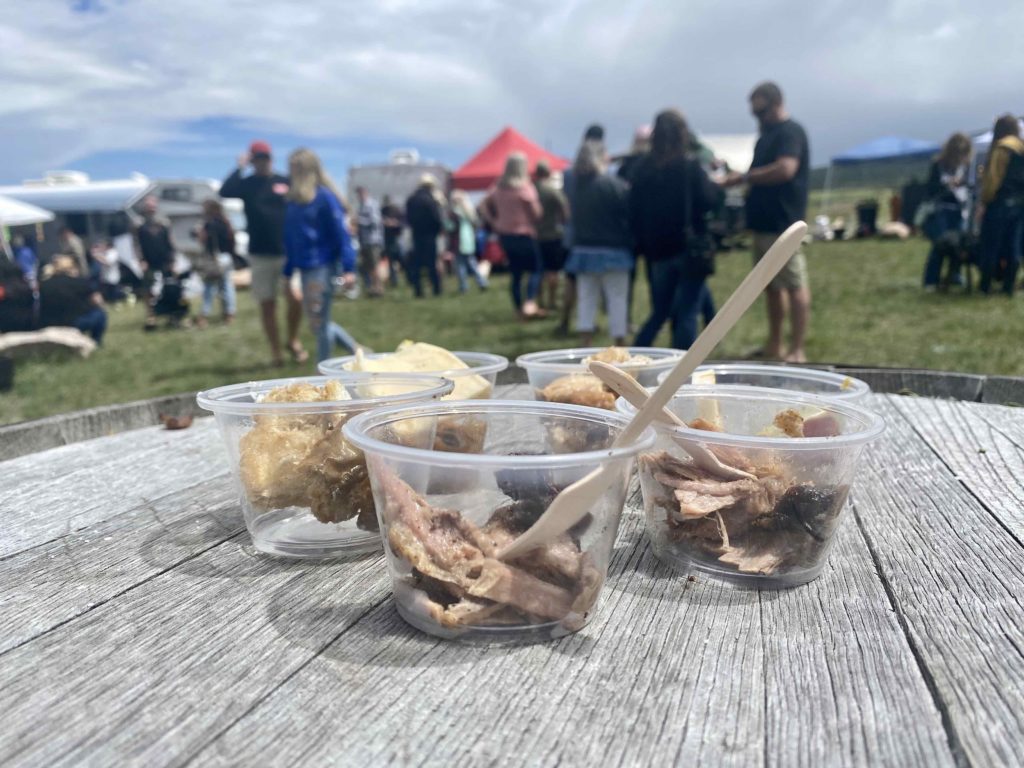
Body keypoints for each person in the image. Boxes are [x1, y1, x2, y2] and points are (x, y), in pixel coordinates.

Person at [722, 81, 811, 363]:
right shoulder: (766, 137)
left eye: (761, 111)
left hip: (782, 224)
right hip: (763, 224)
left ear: (775, 103)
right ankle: (775, 345)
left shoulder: (790, 132)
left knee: (794, 285)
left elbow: (786, 169)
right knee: (771, 287)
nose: (758, 118)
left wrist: (745, 177)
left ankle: (797, 349)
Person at [631, 109, 723, 350]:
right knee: (687, 313)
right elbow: (709, 199)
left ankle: (634, 356)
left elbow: (633, 210)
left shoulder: (642, 169)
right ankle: (683, 371)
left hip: (657, 251)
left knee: (660, 312)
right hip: (689, 248)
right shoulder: (689, 166)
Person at [221, 140, 308, 365]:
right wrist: (240, 167)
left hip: (286, 251)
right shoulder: (247, 184)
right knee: (267, 304)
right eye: (257, 159)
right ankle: (276, 351)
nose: (262, 162)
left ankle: (293, 338)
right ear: (252, 160)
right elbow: (225, 190)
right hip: (260, 253)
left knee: (295, 298)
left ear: (271, 158)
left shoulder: (283, 181)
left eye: (265, 158)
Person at [283, 148, 359, 363]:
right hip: (305, 267)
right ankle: (357, 352)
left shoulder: (324, 198)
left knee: (319, 324)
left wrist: (348, 268)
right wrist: (288, 270)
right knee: (318, 323)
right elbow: (290, 238)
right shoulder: (295, 201)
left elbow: (340, 235)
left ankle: (323, 369)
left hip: (321, 266)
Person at [565, 141, 632, 345]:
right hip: (614, 251)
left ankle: (586, 342)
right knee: (617, 298)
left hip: (584, 251)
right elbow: (628, 215)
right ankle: (619, 343)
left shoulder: (576, 188)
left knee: (586, 299)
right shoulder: (614, 185)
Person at [481, 152, 544, 318]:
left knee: (515, 273)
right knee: (535, 269)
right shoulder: (524, 187)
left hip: (505, 236)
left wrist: (494, 221)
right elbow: (536, 213)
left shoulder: (498, 187)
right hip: (524, 234)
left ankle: (518, 310)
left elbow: (483, 205)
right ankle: (530, 301)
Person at [977, 115, 1024, 296]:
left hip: (1000, 203)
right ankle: (1008, 287)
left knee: (991, 244)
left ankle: (985, 286)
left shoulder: (1002, 148)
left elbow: (993, 179)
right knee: (1014, 245)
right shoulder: (1021, 148)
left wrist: (985, 200)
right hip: (1020, 204)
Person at [920, 133, 972, 289]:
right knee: (940, 244)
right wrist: (947, 185)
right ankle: (931, 280)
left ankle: (954, 275)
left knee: (959, 245)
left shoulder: (966, 167)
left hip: (960, 210)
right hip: (941, 210)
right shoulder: (938, 165)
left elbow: (970, 185)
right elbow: (930, 189)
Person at [38, 255, 107, 344]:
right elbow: (97, 300)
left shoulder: (44, 285)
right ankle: (96, 342)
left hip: (50, 322)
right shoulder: (79, 282)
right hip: (74, 322)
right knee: (100, 314)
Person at [134, 195, 176, 330]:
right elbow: (136, 244)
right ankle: (151, 316)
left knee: (169, 288)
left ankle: (171, 314)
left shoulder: (164, 222)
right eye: (148, 205)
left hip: (165, 260)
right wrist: (141, 260)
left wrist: (173, 259)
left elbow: (170, 241)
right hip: (148, 261)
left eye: (153, 204)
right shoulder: (138, 223)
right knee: (148, 290)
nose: (151, 207)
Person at [194, 198, 237, 327]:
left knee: (209, 286)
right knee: (227, 286)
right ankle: (229, 313)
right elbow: (232, 240)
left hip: (214, 258)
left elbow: (203, 240)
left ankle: (204, 315)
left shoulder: (209, 223)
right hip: (227, 257)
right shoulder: (225, 222)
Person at [534, 160, 570, 312]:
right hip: (552, 234)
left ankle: (537, 300)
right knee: (553, 270)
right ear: (548, 173)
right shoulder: (552, 190)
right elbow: (565, 211)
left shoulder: (530, 189)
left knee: (537, 271)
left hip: (534, 235)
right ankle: (552, 301)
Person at [405, 175, 445, 297]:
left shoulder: (411, 200)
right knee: (432, 263)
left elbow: (408, 218)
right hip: (430, 235)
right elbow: (436, 218)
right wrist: (438, 230)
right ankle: (436, 289)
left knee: (416, 264)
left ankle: (418, 290)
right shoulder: (430, 199)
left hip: (416, 235)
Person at [449, 191, 488, 292]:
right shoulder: (469, 211)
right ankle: (481, 282)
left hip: (458, 240)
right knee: (472, 262)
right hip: (469, 239)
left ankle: (463, 286)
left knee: (460, 264)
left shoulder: (454, 212)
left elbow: (451, 227)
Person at [355, 186, 385, 296]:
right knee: (369, 266)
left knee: (375, 265)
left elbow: (375, 221)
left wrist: (360, 221)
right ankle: (374, 288)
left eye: (360, 194)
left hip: (373, 240)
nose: (359, 196)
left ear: (365, 193)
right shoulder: (362, 206)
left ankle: (379, 288)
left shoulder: (372, 205)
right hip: (365, 241)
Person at [380, 195, 404, 288]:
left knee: (401, 258)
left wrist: (395, 223)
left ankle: (409, 276)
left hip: (396, 237)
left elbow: (402, 222)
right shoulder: (383, 211)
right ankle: (394, 280)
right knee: (390, 260)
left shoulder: (396, 210)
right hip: (388, 238)